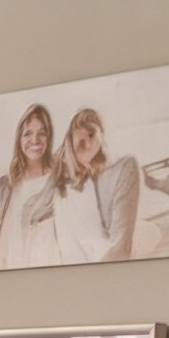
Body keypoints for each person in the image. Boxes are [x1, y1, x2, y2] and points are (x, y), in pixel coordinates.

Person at [0, 103, 58, 271]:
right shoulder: (2, 188)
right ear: (19, 139)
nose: (35, 140)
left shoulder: (59, 185)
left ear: (49, 137)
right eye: (28, 134)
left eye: (42, 133)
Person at [49, 107, 140, 263]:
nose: (87, 144)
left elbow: (116, 245)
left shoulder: (118, 168)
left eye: (91, 135)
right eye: (81, 141)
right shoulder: (58, 181)